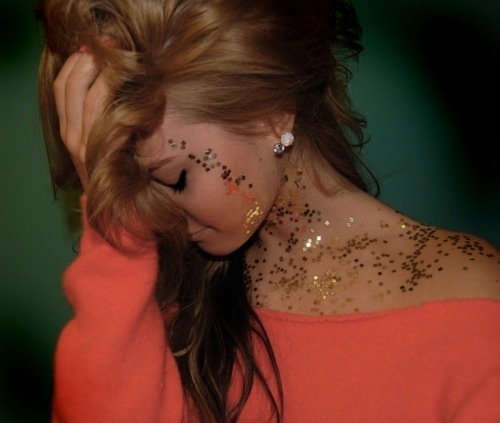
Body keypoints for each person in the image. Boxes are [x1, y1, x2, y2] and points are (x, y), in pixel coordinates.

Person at [37, 0, 500, 422]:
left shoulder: (467, 306)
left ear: (271, 113)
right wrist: (116, 228)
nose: (158, 216)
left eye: (176, 178)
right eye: (134, 192)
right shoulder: (169, 320)